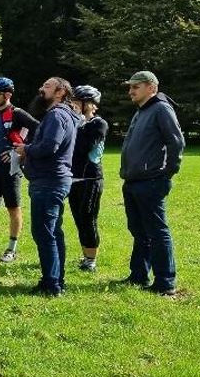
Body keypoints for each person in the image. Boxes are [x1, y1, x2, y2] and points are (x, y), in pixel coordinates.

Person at [118, 71, 184, 295]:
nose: (130, 91)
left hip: (151, 181)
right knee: (139, 231)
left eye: (135, 87)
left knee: (157, 232)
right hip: (133, 181)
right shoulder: (142, 111)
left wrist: (166, 173)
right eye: (130, 87)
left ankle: (165, 283)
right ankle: (138, 275)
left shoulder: (161, 108)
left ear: (151, 88)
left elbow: (176, 142)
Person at [13, 77, 78, 297]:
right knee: (53, 232)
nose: (42, 89)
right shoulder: (65, 114)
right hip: (54, 180)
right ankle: (56, 279)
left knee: (44, 232)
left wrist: (26, 149)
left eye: (47, 86)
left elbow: (50, 146)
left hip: (49, 181)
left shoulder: (56, 115)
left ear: (60, 92)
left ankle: (52, 284)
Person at [0, 76, 39, 263]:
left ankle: (12, 248)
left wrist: (20, 151)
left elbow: (40, 130)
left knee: (13, 208)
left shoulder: (17, 113)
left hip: (10, 169)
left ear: (7, 94)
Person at [69, 85, 108, 272]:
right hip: (73, 178)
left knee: (88, 217)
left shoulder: (98, 124)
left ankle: (91, 259)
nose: (73, 105)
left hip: (91, 179)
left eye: (77, 102)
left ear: (90, 104)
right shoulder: (74, 122)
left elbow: (82, 147)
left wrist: (77, 122)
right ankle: (85, 254)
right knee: (78, 218)